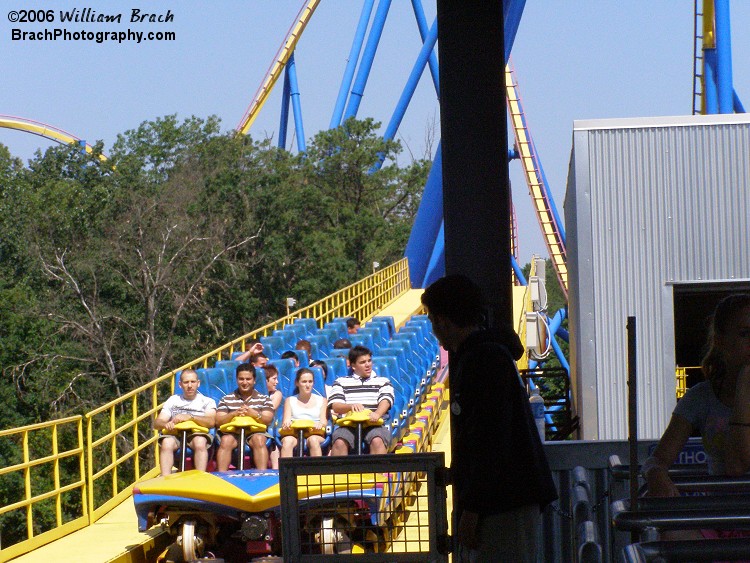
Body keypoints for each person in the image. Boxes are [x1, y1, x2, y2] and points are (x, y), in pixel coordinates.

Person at [421, 275, 557, 562]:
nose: (435, 330)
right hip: (504, 501)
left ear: (443, 320)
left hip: (504, 504)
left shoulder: (483, 360)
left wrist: (472, 509)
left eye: (434, 320)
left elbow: (490, 439)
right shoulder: (488, 354)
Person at [643, 294, 750, 537]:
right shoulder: (701, 397)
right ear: (721, 341)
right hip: (718, 520)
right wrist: (656, 475)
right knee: (671, 531)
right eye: (745, 333)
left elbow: (736, 465)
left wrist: (744, 386)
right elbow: (657, 459)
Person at [328, 345, 394, 455]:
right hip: (348, 425)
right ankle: (340, 471)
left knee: (377, 441)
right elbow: (336, 405)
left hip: (374, 424)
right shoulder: (341, 382)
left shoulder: (383, 381)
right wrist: (350, 406)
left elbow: (386, 400)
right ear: (353, 365)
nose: (368, 365)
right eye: (363, 362)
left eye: (369, 361)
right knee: (339, 442)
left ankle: (376, 472)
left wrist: (377, 413)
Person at [153, 369, 217, 476]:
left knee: (200, 442)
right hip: (176, 434)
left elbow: (211, 422)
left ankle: (200, 476)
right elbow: (157, 423)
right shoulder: (173, 400)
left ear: (198, 383)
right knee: (166, 443)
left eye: (193, 382)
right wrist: (166, 424)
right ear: (180, 384)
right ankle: (165, 478)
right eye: (186, 382)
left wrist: (191, 417)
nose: (190, 385)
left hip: (196, 433)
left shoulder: (207, 401)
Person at [215, 363, 275, 471]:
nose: (245, 382)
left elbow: (268, 420)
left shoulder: (264, 399)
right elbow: (218, 420)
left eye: (248, 379)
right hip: (233, 433)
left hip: (255, 432)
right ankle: (222, 476)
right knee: (226, 440)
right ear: (237, 380)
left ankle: (262, 474)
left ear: (254, 380)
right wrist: (233, 414)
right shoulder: (226, 399)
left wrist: (255, 414)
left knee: (259, 439)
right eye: (241, 379)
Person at [280, 368, 328, 458]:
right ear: (297, 383)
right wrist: (287, 425)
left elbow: (324, 422)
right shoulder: (290, 400)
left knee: (313, 440)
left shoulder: (322, 400)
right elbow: (285, 421)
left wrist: (320, 424)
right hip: (295, 434)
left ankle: (317, 471)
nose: (307, 385)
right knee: (287, 441)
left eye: (310, 382)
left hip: (315, 433)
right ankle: (286, 471)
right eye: (304, 382)